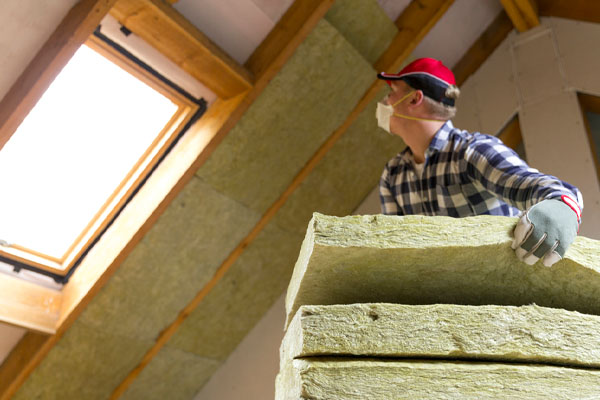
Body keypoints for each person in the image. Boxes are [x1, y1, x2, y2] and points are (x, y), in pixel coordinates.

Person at [376, 57, 583, 267]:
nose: (386, 102)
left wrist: (561, 206)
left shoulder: (470, 152)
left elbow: (539, 186)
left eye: (392, 92)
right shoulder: (392, 175)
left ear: (414, 99)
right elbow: (396, 250)